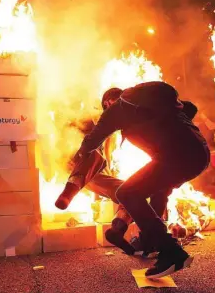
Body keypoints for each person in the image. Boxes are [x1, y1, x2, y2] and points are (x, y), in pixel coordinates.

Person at [56, 82, 209, 279]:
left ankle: (171, 252)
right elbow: (190, 108)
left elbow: (92, 140)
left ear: (109, 102)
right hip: (198, 154)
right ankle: (150, 242)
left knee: (126, 193)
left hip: (175, 157)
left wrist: (77, 159)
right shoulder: (147, 105)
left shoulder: (117, 110)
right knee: (157, 190)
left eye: (106, 105)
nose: (106, 109)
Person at [58, 88, 163, 257]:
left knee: (139, 192)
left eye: (110, 105)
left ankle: (157, 244)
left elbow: (94, 139)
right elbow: (96, 139)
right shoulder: (128, 120)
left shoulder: (132, 112)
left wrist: (81, 155)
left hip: (166, 161)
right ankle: (119, 228)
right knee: (130, 192)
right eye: (108, 107)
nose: (110, 109)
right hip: (165, 160)